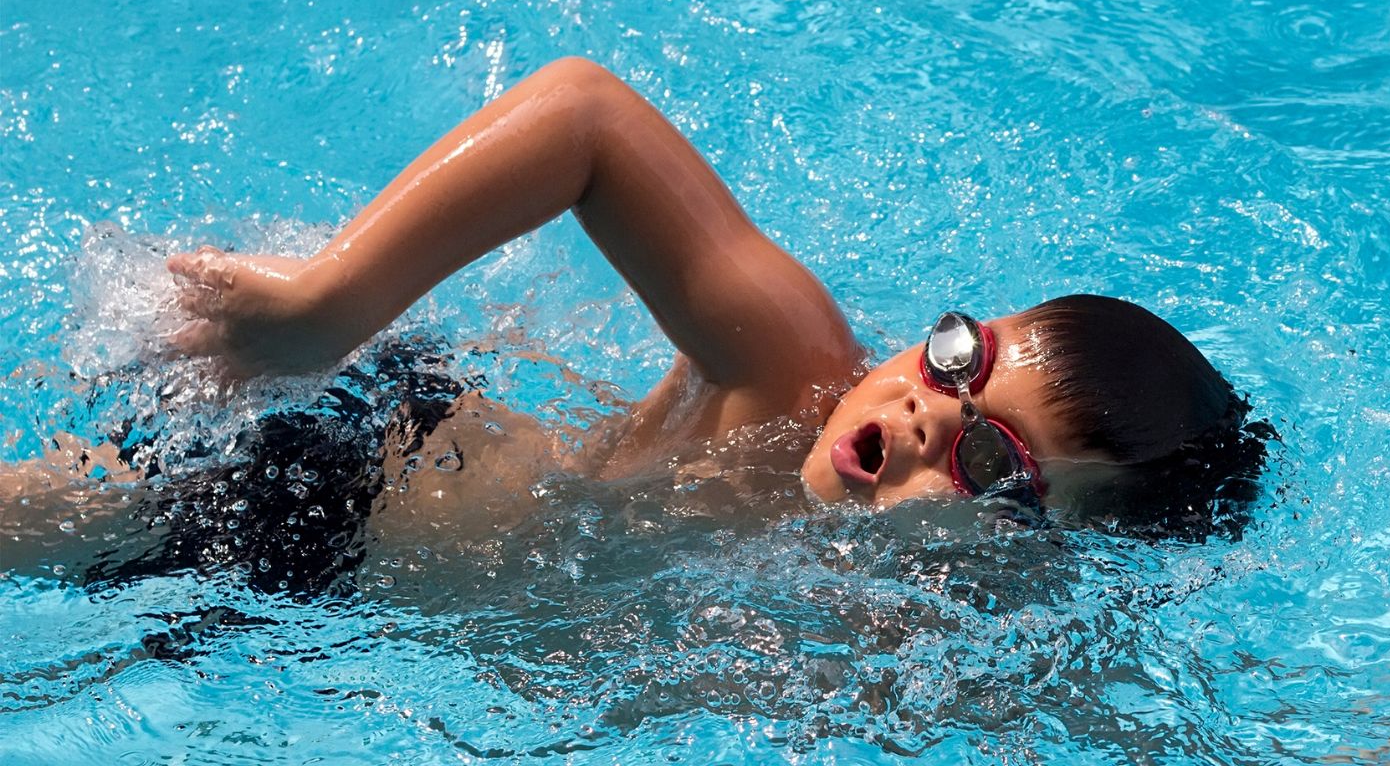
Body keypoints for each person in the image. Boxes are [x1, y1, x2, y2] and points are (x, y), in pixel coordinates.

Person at [10, 57, 1267, 593]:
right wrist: (320, 309)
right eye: (958, 359)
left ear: (1045, 557)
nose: (929, 412)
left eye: (990, 460)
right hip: (333, 475)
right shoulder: (791, 373)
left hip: (337, 621)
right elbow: (587, 118)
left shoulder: (948, 649)